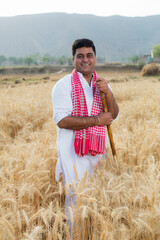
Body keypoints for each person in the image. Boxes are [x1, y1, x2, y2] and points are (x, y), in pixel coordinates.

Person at [52, 38, 119, 223]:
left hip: (98, 152)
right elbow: (62, 121)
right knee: (75, 200)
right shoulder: (63, 85)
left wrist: (109, 94)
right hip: (72, 153)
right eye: (80, 56)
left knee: (99, 198)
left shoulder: (102, 84)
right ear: (73, 59)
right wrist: (97, 120)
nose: (85, 59)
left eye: (89, 55)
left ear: (95, 58)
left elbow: (112, 114)